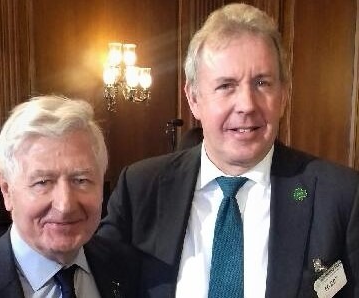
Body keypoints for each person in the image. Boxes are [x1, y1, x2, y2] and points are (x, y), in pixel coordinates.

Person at [98, 3, 359, 298]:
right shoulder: (142, 188)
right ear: (193, 98)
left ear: (284, 95)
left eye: (262, 83)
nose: (247, 104)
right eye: (226, 86)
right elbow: (86, 276)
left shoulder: (340, 196)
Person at [0, 95, 139, 298]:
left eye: (81, 180)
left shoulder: (129, 268)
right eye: (42, 182)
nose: (65, 206)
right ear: (6, 191)